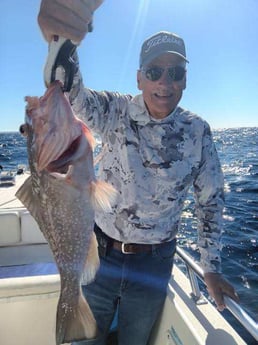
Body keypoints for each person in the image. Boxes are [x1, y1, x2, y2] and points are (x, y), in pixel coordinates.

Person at [38, 1, 239, 344]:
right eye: (154, 71)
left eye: (175, 72)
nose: (165, 82)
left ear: (185, 80)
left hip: (155, 263)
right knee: (84, 339)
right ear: (139, 77)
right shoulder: (115, 110)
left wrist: (211, 267)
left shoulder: (198, 131)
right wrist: (65, 40)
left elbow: (210, 202)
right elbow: (70, 93)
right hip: (100, 255)